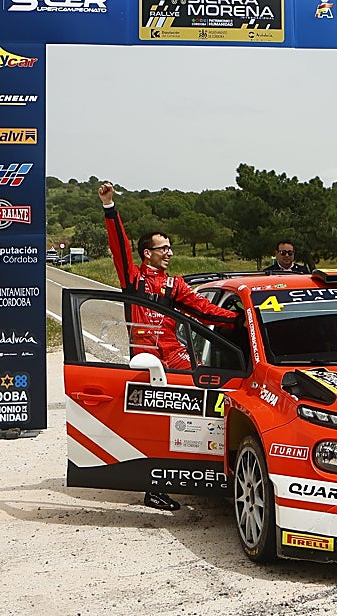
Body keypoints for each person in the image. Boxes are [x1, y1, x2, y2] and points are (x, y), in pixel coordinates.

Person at [98, 182, 240, 512]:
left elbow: (206, 310)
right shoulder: (133, 278)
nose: (170, 253)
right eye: (163, 248)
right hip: (145, 359)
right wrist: (109, 207)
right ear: (147, 253)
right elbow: (119, 246)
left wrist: (242, 318)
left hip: (175, 357)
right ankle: (154, 487)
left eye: (171, 248)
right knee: (153, 424)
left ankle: (203, 474)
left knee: (197, 413)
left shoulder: (176, 284)